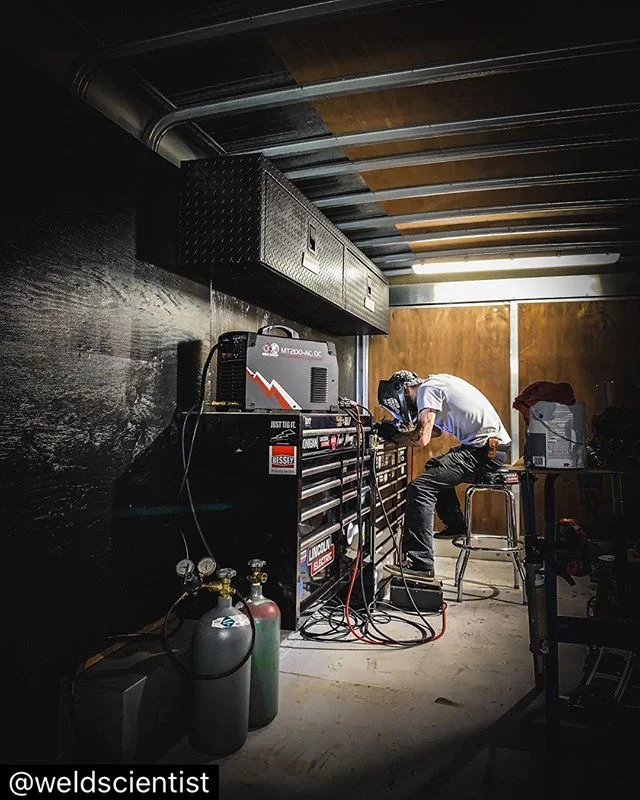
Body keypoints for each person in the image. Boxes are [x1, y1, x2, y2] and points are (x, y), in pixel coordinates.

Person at [376, 370, 511, 581]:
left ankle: (420, 564)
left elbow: (422, 438)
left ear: (401, 390)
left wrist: (392, 436)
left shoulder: (426, 390)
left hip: (485, 452)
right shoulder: (436, 385)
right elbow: (435, 431)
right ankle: (455, 524)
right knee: (435, 466)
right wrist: (400, 432)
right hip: (488, 448)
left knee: (420, 488)